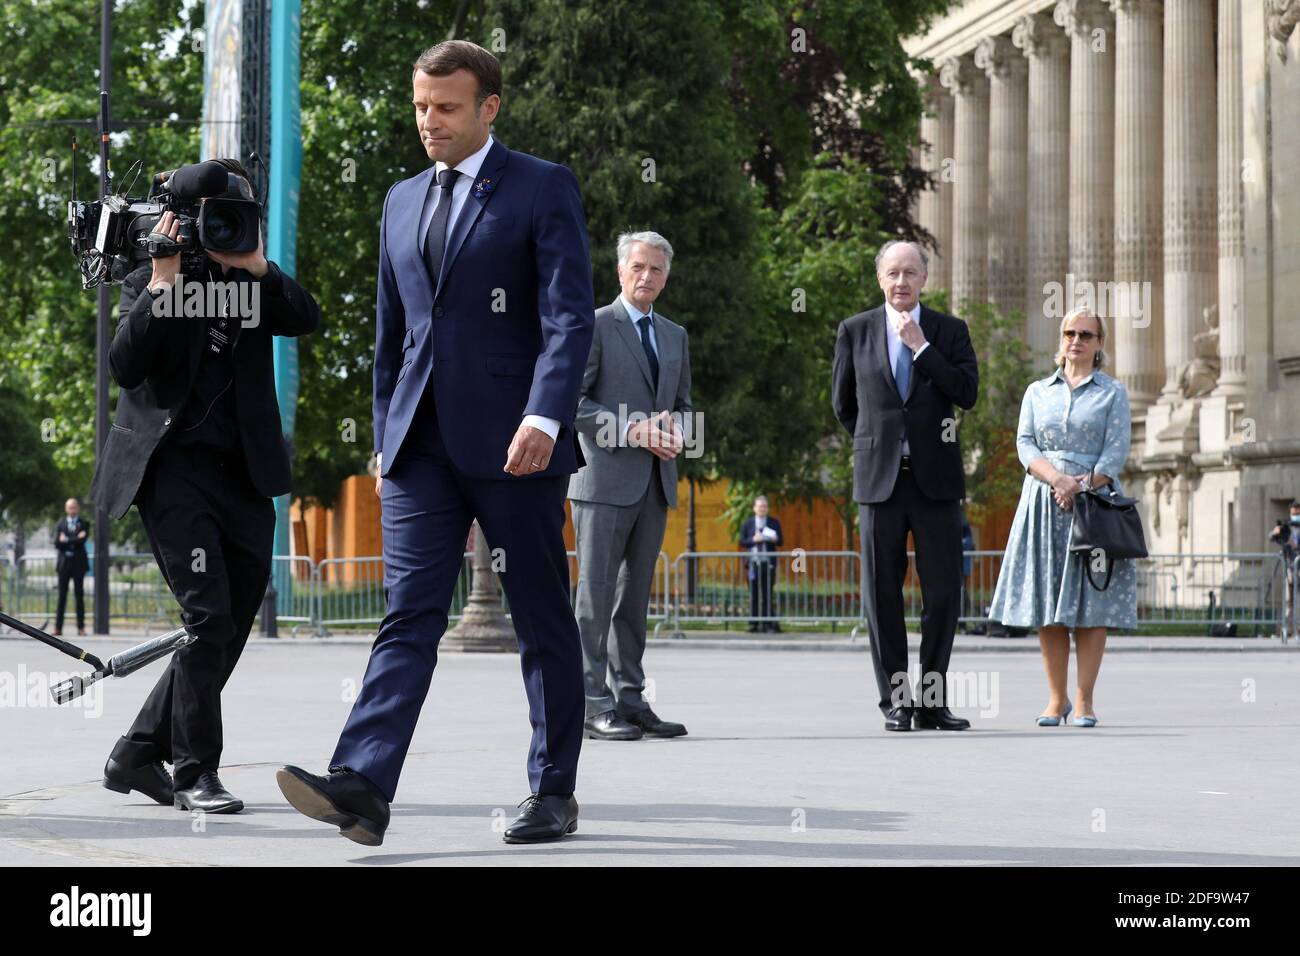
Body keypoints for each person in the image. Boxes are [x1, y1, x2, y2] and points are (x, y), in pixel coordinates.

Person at [276, 40, 595, 846]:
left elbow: (568, 316)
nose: (430, 121)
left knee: (540, 615)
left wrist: (545, 415)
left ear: (489, 107)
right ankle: (363, 784)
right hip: (418, 444)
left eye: (447, 107)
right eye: (421, 106)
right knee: (407, 614)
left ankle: (553, 789)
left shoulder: (540, 186)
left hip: (516, 442)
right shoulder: (400, 199)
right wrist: (385, 438)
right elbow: (394, 334)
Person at [89, 157, 321, 813]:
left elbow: (305, 315)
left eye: (237, 218)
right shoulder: (149, 278)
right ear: (181, 224)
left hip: (245, 476)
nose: (224, 229)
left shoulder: (248, 287)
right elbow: (126, 365)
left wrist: (259, 269)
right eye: (214, 219)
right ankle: (196, 773)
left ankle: (136, 753)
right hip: (172, 474)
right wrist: (163, 285)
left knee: (226, 626)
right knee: (205, 621)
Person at [832, 240, 979, 732]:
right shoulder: (855, 331)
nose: (901, 282)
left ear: (925, 279)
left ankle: (933, 702)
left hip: (937, 485)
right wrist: (880, 445)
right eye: (892, 273)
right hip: (879, 484)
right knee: (883, 597)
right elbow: (844, 406)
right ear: (880, 279)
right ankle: (897, 701)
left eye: (910, 273)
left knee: (941, 595)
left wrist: (921, 347)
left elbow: (967, 393)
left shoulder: (949, 331)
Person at [987, 306, 1136, 728]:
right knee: (1048, 604)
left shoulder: (1113, 393)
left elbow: (1116, 450)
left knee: (1092, 606)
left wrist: (1081, 484)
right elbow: (1025, 443)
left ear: (1099, 344)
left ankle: (1084, 699)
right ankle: (1056, 699)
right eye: (1070, 332)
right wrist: (1057, 479)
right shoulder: (1037, 391)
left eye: (1086, 334)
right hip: (1044, 501)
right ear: (1061, 340)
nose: (1077, 340)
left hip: (1093, 507)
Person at [570, 231, 691, 741]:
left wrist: (681, 432)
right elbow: (570, 400)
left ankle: (631, 698)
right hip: (602, 482)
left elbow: (683, 404)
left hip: (655, 482)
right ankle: (590, 702)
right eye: (638, 267)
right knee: (594, 598)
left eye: (656, 270)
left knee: (634, 598)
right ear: (620, 271)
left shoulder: (675, 335)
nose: (646, 277)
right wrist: (630, 429)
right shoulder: (595, 325)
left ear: (666, 277)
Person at [738, 496, 783, 633]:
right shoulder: (748, 523)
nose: (762, 508)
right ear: (754, 508)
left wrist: (774, 539)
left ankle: (768, 623)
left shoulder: (774, 523)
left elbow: (780, 541)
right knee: (753, 594)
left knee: (767, 594)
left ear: (767, 508)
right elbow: (742, 542)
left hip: (768, 563)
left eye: (764, 506)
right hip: (753, 564)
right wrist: (753, 540)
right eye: (759, 506)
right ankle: (754, 623)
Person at [52, 497, 91, 637]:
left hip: (78, 564)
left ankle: (81, 627)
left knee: (79, 595)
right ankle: (58, 628)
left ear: (78, 508)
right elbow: (56, 542)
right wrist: (74, 539)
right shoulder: (60, 523)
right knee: (61, 596)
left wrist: (66, 539)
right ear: (66, 509)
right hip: (64, 564)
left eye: (74, 507)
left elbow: (83, 540)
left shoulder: (84, 523)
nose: (72, 510)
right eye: (70, 507)